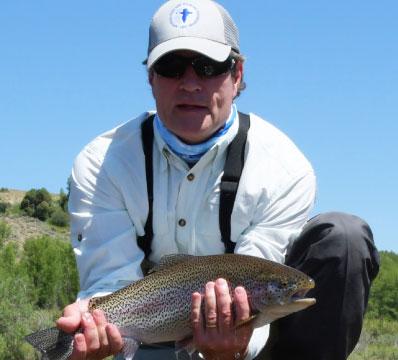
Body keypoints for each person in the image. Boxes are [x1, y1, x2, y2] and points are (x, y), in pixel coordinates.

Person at [56, 1, 380, 359]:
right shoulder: (101, 163)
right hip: (147, 339)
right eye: (171, 67)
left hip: (257, 342)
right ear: (150, 77)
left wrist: (238, 340)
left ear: (237, 74)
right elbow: (111, 281)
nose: (190, 83)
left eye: (209, 67)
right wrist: (93, 323)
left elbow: (259, 270)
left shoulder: (285, 168)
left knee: (345, 236)